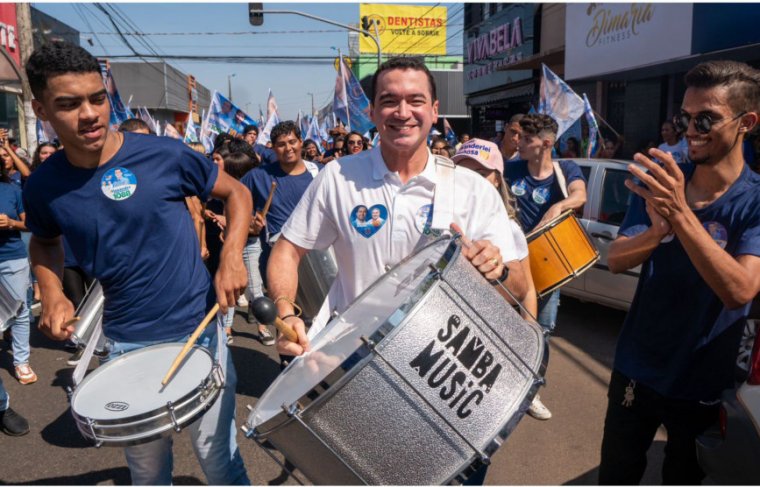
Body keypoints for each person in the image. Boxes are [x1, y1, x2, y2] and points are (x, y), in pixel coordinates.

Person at [23, 41, 251, 485]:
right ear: (41, 110)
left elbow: (237, 194)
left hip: (201, 331)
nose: (89, 114)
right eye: (68, 104)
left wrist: (231, 258)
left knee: (218, 458)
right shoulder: (44, 186)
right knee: (147, 472)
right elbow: (45, 241)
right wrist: (51, 293)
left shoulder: (164, 156)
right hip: (126, 344)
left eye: (96, 98)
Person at [268, 56, 527, 360]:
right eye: (389, 101)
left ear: (434, 110)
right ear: (373, 112)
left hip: (446, 362)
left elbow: (519, 286)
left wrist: (497, 270)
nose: (403, 113)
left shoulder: (474, 189)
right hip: (356, 356)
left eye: (415, 100)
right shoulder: (337, 177)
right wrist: (286, 313)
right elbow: (287, 249)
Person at [598, 60, 760, 485]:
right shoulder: (665, 179)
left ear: (747, 122)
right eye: (684, 118)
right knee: (616, 477)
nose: (691, 130)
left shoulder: (754, 201)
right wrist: (658, 230)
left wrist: (678, 214)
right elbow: (616, 259)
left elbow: (740, 290)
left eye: (706, 118)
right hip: (637, 368)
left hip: (704, 381)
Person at [504, 113, 588, 420]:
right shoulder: (511, 168)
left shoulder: (565, 169)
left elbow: (580, 196)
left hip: (547, 267)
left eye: (527, 139)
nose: (520, 143)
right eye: (519, 137)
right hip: (510, 265)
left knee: (542, 331)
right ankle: (502, 388)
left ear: (547, 144)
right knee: (502, 325)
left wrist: (558, 205)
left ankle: (531, 391)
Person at [240, 121, 322, 345]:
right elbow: (234, 202)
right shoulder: (259, 176)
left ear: (301, 142)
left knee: (321, 320)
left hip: (319, 256)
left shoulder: (319, 173)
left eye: (292, 142)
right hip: (279, 259)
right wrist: (250, 225)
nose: (288, 148)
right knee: (290, 324)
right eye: (281, 144)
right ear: (273, 148)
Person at [452, 139, 538, 322]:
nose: (472, 181)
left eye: (481, 174)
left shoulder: (510, 228)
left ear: (497, 179)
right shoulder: (444, 216)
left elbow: (527, 289)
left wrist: (530, 333)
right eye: (464, 173)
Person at [0, 158, 35, 384]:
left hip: (12, 259)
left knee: (19, 310)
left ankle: (21, 362)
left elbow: (29, 224)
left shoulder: (12, 190)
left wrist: (11, 223)